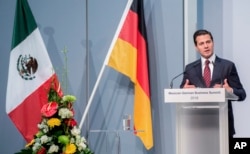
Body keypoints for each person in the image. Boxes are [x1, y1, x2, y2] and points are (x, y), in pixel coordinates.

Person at [180, 29, 246, 137]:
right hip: (197, 127)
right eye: (201, 43)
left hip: (223, 126)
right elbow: (183, 89)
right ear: (196, 47)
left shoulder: (227, 66)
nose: (206, 46)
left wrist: (230, 91)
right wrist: (184, 91)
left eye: (208, 42)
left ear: (213, 43)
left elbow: (242, 94)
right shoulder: (190, 68)